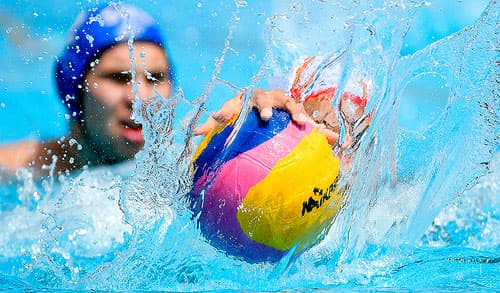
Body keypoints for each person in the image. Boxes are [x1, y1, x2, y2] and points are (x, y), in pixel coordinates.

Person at [0, 3, 310, 178]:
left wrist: (265, 127)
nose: (141, 98)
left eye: (155, 77)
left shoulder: (187, 166)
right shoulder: (23, 170)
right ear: (75, 90)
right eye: (119, 77)